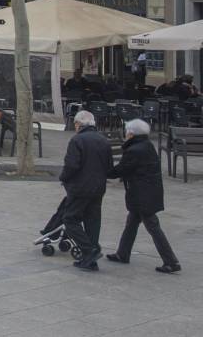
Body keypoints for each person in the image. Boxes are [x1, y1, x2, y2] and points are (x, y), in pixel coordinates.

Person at [106, 119, 181, 273]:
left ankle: (171, 261)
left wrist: (102, 172)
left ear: (131, 134)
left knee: (153, 227)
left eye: (127, 132)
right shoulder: (146, 145)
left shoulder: (135, 150)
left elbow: (122, 169)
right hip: (147, 191)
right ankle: (123, 253)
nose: (125, 134)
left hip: (142, 194)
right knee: (131, 223)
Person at [59, 109, 114, 270]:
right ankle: (91, 257)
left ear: (78, 124)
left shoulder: (77, 140)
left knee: (70, 219)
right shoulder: (103, 140)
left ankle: (89, 251)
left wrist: (64, 178)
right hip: (98, 187)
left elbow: (71, 165)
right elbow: (109, 167)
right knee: (93, 220)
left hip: (80, 187)